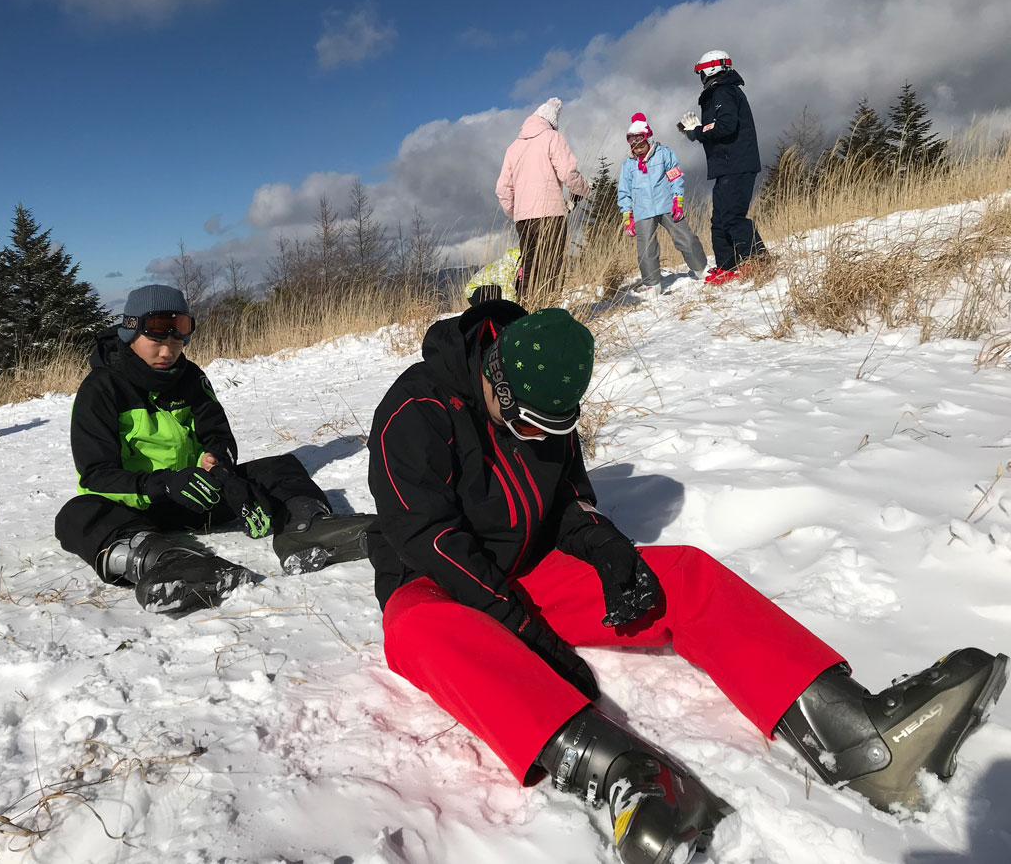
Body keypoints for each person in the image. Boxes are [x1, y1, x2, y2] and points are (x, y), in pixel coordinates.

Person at [364, 300, 1007, 864]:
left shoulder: (544, 389)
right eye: (529, 425)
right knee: (421, 631)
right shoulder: (413, 413)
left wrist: (609, 549)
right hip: (437, 583)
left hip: (527, 566)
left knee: (683, 573)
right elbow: (431, 542)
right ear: (495, 382)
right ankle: (628, 778)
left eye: (551, 428)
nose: (538, 437)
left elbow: (567, 502)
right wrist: (528, 631)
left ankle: (859, 737)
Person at [55, 284, 373, 614]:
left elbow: (218, 436)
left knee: (281, 467)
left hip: (197, 494)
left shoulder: (190, 377)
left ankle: (305, 528)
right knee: (76, 515)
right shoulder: (102, 388)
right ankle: (169, 562)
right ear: (130, 334)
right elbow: (96, 473)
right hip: (135, 510)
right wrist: (163, 484)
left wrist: (222, 471)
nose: (167, 352)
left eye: (176, 341)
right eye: (157, 341)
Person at [677, 50, 768, 285]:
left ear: (711, 70)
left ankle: (757, 258)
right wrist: (701, 129)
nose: (700, 78)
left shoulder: (724, 91)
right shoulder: (718, 93)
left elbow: (726, 125)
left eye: (701, 72)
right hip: (725, 166)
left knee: (732, 216)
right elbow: (718, 127)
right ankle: (727, 266)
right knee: (719, 220)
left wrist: (698, 131)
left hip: (737, 164)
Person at [495, 97, 589, 301]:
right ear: (551, 122)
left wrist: (516, 212)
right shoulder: (552, 138)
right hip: (550, 214)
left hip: (523, 220)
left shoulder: (513, 148)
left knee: (529, 268)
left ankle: (526, 314)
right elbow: (568, 172)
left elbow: (502, 188)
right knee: (551, 268)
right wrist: (583, 189)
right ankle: (548, 314)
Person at [617, 112, 708, 296]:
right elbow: (624, 192)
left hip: (666, 204)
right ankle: (652, 284)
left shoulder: (663, 154)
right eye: (635, 146)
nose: (639, 149)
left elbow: (675, 177)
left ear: (647, 139)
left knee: (685, 237)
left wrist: (678, 200)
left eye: (641, 144)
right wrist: (628, 216)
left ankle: (701, 269)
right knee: (646, 249)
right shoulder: (628, 165)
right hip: (643, 211)